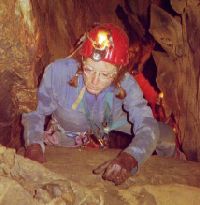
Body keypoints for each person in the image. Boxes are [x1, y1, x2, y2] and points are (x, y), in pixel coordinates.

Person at [22, 23, 160, 185]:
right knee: (70, 129)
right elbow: (35, 111)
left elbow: (147, 124)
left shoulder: (127, 84)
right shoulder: (59, 73)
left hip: (109, 118)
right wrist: (34, 146)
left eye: (105, 74)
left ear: (119, 71)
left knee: (165, 137)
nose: (94, 81)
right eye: (89, 69)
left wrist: (131, 157)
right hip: (69, 126)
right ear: (82, 60)